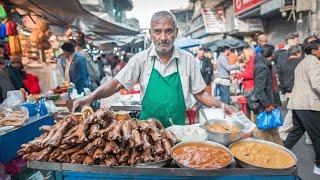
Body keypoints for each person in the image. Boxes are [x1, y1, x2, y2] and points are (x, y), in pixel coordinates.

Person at [73, 11, 234, 128]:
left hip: (178, 130)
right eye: (158, 31)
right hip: (146, 131)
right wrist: (91, 97)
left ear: (176, 33)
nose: (163, 37)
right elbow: (116, 84)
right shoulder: (140, 59)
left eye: (168, 31)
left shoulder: (188, 59)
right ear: (151, 34)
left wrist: (222, 106)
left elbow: (200, 93)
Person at [284, 40, 320, 175]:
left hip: (299, 104)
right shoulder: (314, 62)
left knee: (296, 132)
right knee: (318, 136)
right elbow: (317, 84)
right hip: (309, 104)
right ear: (314, 50)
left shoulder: (302, 63)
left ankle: (281, 153)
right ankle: (319, 166)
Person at [252, 44, 283, 145]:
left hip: (269, 103)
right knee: (265, 133)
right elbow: (259, 89)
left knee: (272, 132)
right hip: (265, 106)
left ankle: (279, 153)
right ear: (271, 53)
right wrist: (267, 104)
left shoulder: (266, 64)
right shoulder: (262, 67)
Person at [278, 45, 303, 140]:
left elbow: (280, 79)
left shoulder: (283, 64)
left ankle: (283, 133)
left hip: (288, 92)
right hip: (298, 91)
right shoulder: (301, 63)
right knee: (294, 114)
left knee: (294, 113)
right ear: (298, 53)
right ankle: (282, 132)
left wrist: (284, 91)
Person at [235, 47, 255, 118]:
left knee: (253, 107)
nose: (244, 54)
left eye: (245, 52)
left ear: (249, 52)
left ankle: (254, 124)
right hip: (248, 86)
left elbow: (251, 74)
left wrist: (240, 75)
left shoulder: (252, 61)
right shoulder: (250, 61)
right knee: (248, 106)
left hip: (251, 86)